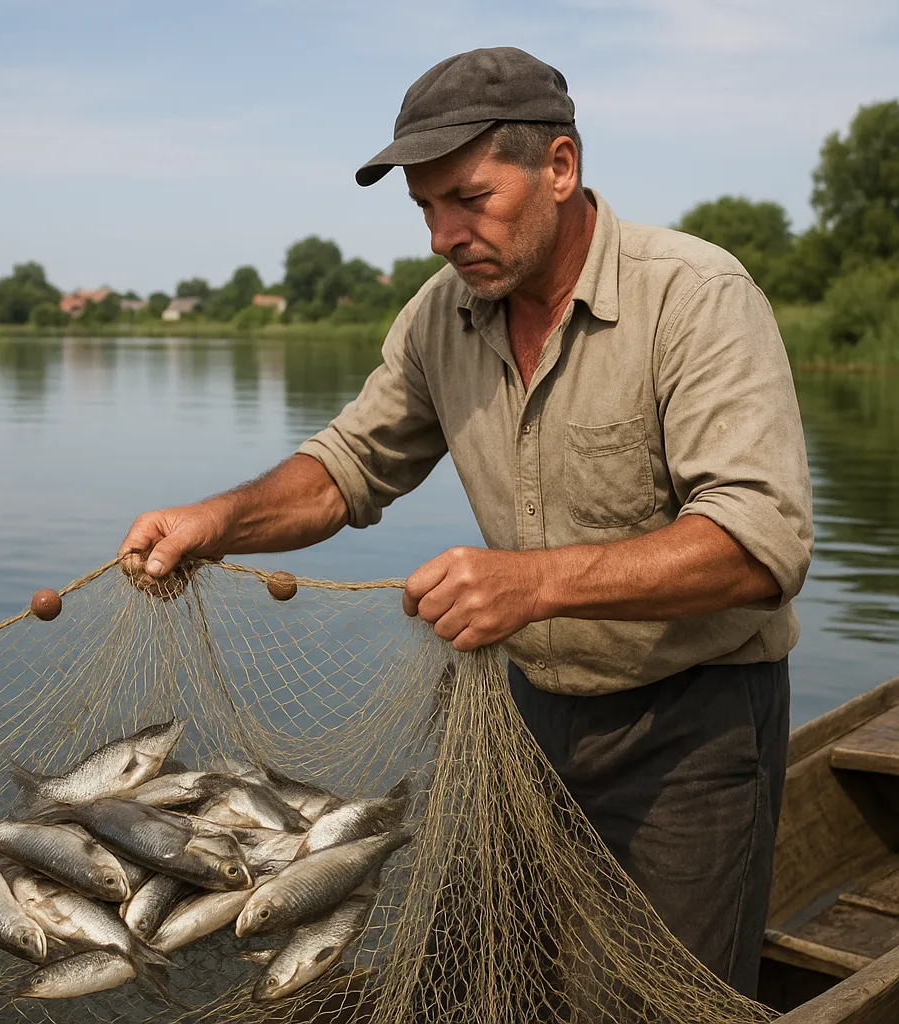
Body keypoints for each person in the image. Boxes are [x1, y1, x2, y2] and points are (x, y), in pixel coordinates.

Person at [120, 46, 813, 996]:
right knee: (473, 982)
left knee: (664, 1003)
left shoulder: (695, 297)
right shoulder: (442, 315)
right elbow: (346, 469)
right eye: (424, 209)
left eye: (469, 199)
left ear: (560, 169)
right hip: (525, 722)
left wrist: (532, 582)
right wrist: (218, 519)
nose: (443, 235)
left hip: (691, 728)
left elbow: (758, 545)